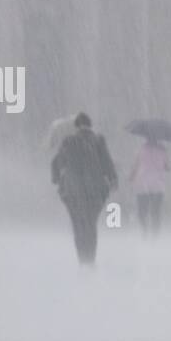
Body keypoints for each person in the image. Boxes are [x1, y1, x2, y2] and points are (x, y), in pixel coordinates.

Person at [51, 112, 117, 265]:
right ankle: (91, 258)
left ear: (76, 126)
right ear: (90, 125)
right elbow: (107, 161)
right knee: (90, 224)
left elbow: (56, 163)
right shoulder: (99, 140)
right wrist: (113, 180)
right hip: (96, 191)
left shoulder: (68, 141)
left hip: (72, 191)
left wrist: (56, 179)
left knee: (78, 225)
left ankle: (82, 258)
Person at [129, 137, 168, 237]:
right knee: (156, 212)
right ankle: (155, 234)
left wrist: (131, 176)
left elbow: (136, 165)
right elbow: (167, 167)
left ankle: (144, 230)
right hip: (158, 185)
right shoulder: (163, 150)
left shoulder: (141, 149)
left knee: (142, 211)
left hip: (143, 184)